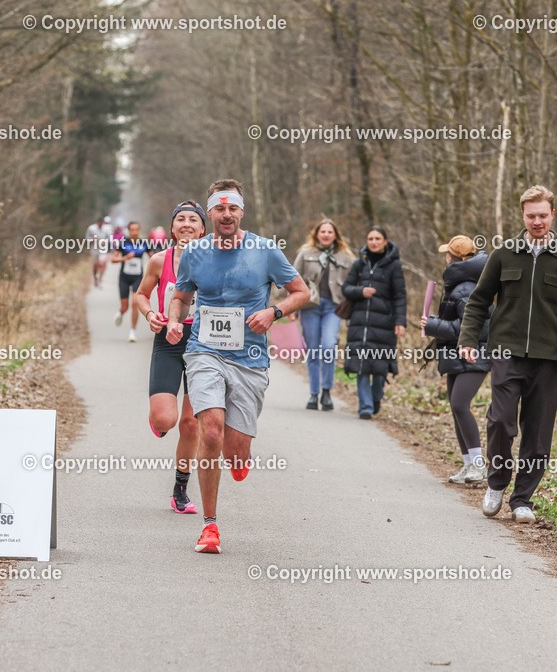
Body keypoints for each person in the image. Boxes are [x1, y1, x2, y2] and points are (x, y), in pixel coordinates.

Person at [166, 179, 310, 554]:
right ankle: (210, 526)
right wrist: (173, 319)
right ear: (209, 213)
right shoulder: (195, 252)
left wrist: (273, 312)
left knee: (234, 448)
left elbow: (302, 292)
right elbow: (180, 297)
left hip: (249, 358)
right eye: (219, 209)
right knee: (209, 433)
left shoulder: (265, 250)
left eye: (233, 209)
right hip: (204, 351)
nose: (226, 215)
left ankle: (239, 455)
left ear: (241, 211)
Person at [459, 185, 557, 523]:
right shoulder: (504, 254)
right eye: (531, 216)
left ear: (552, 214)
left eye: (543, 215)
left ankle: (523, 499)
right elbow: (479, 300)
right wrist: (468, 338)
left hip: (547, 358)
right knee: (500, 420)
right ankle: (497, 483)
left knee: (538, 431)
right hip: (506, 352)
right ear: (523, 215)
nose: (537, 221)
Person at [134, 202, 207, 514]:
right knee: (167, 419)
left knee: (191, 424)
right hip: (168, 340)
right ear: (172, 227)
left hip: (203, 344)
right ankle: (159, 420)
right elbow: (140, 294)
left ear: (203, 228)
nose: (187, 224)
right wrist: (149, 313)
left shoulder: (216, 260)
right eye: (181, 219)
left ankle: (180, 489)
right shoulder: (159, 260)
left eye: (193, 219)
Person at [422, 235, 491, 484]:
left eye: (446, 253)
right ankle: (469, 464)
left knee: (461, 405)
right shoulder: (461, 283)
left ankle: (479, 465)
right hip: (457, 353)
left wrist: (433, 325)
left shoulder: (466, 287)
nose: (444, 257)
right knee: (456, 407)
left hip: (475, 353)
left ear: (454, 258)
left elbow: (476, 328)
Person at [342, 226, 407, 419]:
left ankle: (376, 396)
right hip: (360, 322)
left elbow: (400, 296)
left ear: (385, 241)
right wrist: (360, 291)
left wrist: (400, 321)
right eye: (370, 238)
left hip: (385, 322)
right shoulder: (359, 263)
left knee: (380, 367)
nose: (374, 242)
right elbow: (346, 288)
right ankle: (365, 407)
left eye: (378, 238)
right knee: (361, 365)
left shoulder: (394, 265)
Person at [292, 219, 355, 411]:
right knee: (313, 349)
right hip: (310, 306)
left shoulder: (346, 258)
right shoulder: (305, 254)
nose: (326, 235)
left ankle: (327, 391)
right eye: (323, 232)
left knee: (328, 346)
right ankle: (313, 394)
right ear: (316, 234)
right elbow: (292, 280)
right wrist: (291, 308)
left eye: (330, 232)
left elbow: (353, 285)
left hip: (334, 308)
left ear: (336, 235)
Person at [112, 221, 150, 342]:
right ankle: (121, 313)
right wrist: (124, 258)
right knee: (125, 306)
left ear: (139, 230)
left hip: (138, 278)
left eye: (136, 230)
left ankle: (132, 332)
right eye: (132, 230)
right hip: (124, 278)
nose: (134, 232)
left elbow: (154, 257)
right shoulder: (123, 243)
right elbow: (113, 259)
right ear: (129, 231)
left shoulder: (144, 243)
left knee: (135, 303)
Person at [85, 216, 113, 288]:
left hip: (103, 248)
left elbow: (110, 238)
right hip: (94, 248)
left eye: (102, 224)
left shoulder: (107, 229)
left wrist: (105, 242)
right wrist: (92, 239)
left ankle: (100, 279)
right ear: (97, 223)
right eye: (99, 224)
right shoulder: (91, 228)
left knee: (102, 263)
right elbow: (87, 238)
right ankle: (95, 278)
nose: (101, 225)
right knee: (96, 264)